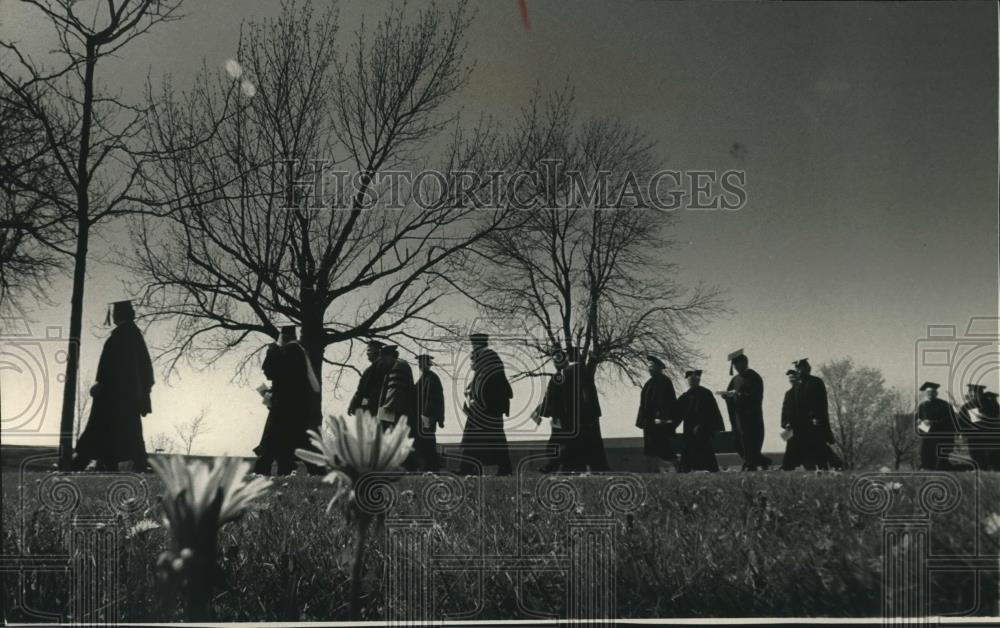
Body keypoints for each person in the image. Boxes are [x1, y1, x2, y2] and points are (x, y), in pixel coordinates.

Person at [73, 300, 154, 472]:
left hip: (115, 395)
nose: (114, 316)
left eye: (116, 313)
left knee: (106, 429)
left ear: (119, 315)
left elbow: (117, 367)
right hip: (125, 395)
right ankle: (108, 464)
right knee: (123, 432)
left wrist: (102, 384)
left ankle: (82, 462)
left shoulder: (124, 335)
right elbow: (145, 368)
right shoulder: (131, 334)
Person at [253, 326, 322, 475]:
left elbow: (271, 371)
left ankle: (262, 470)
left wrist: (272, 348)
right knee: (289, 439)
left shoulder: (290, 351)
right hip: (295, 404)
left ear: (283, 337)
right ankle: (286, 470)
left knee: (272, 437)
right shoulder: (298, 351)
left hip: (284, 405)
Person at [459, 333, 513, 475]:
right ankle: (469, 469)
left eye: (474, 347)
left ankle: (501, 469)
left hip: (488, 407)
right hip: (485, 407)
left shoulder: (488, 358)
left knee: (489, 439)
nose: (473, 352)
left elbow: (488, 384)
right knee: (482, 439)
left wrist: (475, 399)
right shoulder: (486, 360)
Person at [720, 349, 770, 471]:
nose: (736, 367)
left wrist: (737, 395)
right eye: (735, 365)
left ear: (745, 363)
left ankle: (750, 466)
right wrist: (727, 396)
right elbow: (731, 393)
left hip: (751, 418)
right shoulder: (735, 379)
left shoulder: (754, 377)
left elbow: (755, 397)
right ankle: (762, 461)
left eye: (738, 364)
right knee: (737, 443)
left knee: (750, 442)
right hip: (738, 418)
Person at [787, 358, 838, 470]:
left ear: (808, 368)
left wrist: (818, 417)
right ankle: (810, 471)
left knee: (819, 448)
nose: (799, 370)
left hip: (814, 420)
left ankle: (829, 467)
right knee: (805, 451)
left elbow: (821, 403)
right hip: (801, 424)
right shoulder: (797, 385)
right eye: (798, 368)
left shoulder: (816, 382)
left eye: (801, 367)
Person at [565, 346, 609, 472]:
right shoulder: (583, 370)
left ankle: (578, 467)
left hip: (578, 412)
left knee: (577, 441)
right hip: (587, 411)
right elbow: (589, 391)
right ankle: (592, 466)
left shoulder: (570, 371)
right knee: (589, 441)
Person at [635, 355, 679, 471]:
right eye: (649, 367)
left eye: (652, 366)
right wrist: (642, 420)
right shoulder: (649, 383)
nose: (649, 369)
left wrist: (663, 418)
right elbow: (644, 404)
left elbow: (669, 402)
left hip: (660, 422)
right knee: (649, 449)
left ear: (659, 367)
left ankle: (678, 467)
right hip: (649, 422)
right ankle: (652, 472)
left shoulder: (664, 381)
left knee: (664, 448)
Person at [676, 370, 724, 472]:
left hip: (703, 428)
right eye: (690, 380)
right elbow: (676, 411)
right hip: (689, 428)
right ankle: (685, 469)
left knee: (705, 449)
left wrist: (709, 426)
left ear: (698, 380)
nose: (692, 382)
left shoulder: (706, 393)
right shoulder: (686, 396)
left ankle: (712, 469)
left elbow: (713, 411)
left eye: (694, 380)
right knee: (688, 449)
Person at [915, 381, 956, 471]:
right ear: (925, 393)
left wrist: (932, 423)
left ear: (936, 393)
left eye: (932, 392)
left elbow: (950, 421)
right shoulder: (922, 406)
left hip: (942, 438)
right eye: (928, 392)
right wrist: (919, 423)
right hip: (928, 438)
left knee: (940, 465)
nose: (930, 394)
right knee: (927, 462)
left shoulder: (944, 405)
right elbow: (917, 420)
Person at [414, 354, 444, 472]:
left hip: (427, 416)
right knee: (423, 442)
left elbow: (435, 399)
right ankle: (426, 467)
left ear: (429, 364)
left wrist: (427, 415)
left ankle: (432, 467)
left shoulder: (432, 378)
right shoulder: (422, 379)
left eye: (423, 363)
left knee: (429, 442)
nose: (421, 366)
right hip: (421, 416)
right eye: (420, 364)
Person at [348, 340, 390, 416]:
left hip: (374, 407)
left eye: (369, 350)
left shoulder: (377, 366)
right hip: (382, 406)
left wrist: (354, 404)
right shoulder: (381, 365)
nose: (367, 353)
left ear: (377, 351)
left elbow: (363, 390)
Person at [779, 369, 803, 470]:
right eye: (790, 379)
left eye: (793, 378)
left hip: (803, 426)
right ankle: (788, 466)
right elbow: (784, 410)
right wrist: (785, 423)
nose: (792, 380)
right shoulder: (788, 394)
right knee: (791, 447)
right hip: (791, 427)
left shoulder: (804, 391)